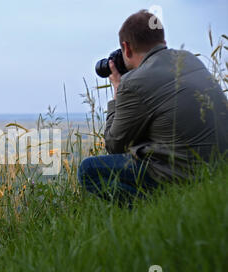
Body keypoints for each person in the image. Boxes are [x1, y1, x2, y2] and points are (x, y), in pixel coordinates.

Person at [78, 9, 228, 203]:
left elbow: (114, 145)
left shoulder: (133, 83)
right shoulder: (189, 58)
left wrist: (117, 89)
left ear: (127, 47)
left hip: (186, 177)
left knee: (88, 170)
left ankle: (152, 208)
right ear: (162, 40)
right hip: (220, 169)